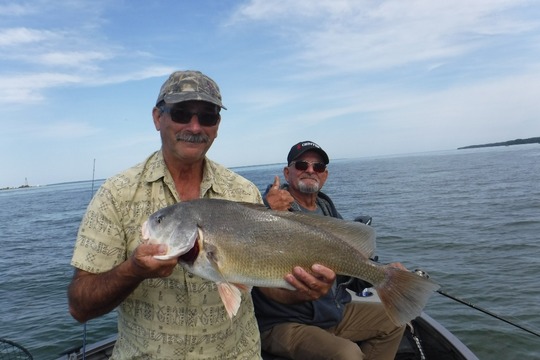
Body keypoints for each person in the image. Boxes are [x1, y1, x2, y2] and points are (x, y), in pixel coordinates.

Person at [67, 70, 268, 359]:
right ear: (157, 118)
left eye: (208, 116)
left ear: (217, 125)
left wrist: (304, 287)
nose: (195, 126)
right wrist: (132, 271)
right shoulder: (116, 194)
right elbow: (79, 306)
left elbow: (270, 277)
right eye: (182, 113)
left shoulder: (244, 192)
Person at [252, 141, 406, 360]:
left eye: (319, 167)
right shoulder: (275, 205)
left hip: (331, 313)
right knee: (347, 354)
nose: (310, 170)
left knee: (395, 321)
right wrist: (267, 208)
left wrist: (382, 272)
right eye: (302, 164)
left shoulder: (328, 211)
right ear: (287, 173)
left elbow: (349, 270)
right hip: (283, 322)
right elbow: (249, 227)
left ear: (325, 175)